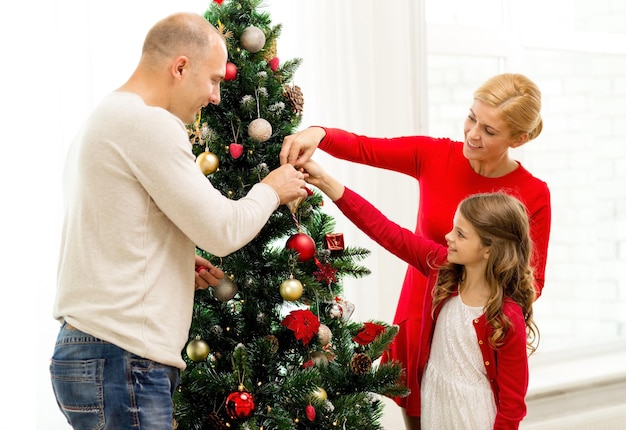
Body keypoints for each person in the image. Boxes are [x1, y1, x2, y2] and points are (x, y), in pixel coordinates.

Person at [50, 12, 308, 430]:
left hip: (97, 351)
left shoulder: (106, 117)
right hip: (122, 358)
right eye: (214, 80)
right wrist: (271, 189)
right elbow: (223, 231)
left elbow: (110, 229)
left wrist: (166, 262)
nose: (217, 97)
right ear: (180, 67)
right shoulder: (147, 123)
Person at [280, 73, 551, 429]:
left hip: (477, 328)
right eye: (472, 117)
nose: (472, 133)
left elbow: (532, 280)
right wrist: (320, 135)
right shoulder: (435, 158)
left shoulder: (533, 194)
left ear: (520, 138)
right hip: (420, 316)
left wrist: (472, 301)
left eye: (489, 130)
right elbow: (378, 199)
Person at [302, 159, 539, 429]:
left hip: (473, 417)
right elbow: (385, 230)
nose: (448, 236)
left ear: (489, 250)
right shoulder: (442, 267)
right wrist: (327, 183)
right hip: (435, 405)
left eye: (460, 234)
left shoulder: (506, 316)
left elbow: (512, 405)